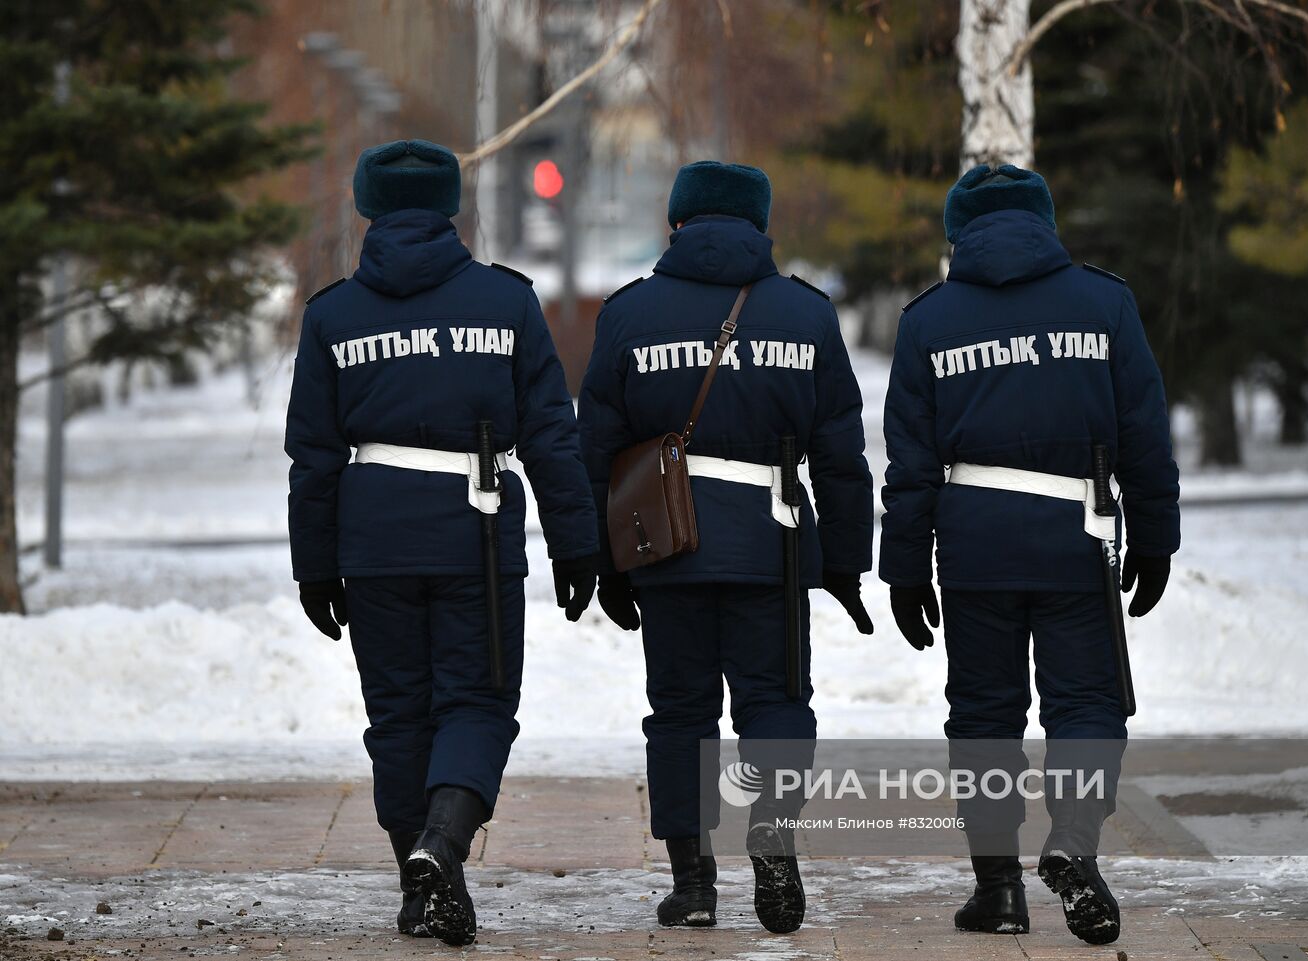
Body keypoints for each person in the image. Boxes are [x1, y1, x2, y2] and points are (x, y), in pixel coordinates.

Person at [285, 139, 598, 946]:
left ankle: (423, 882)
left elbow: (313, 456)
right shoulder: (507, 302)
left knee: (398, 712)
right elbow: (552, 437)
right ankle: (443, 844)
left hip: (373, 534)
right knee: (479, 699)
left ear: (367, 205)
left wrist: (314, 563)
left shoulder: (332, 315)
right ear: (451, 205)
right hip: (475, 530)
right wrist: (575, 542)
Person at [880, 164, 1180, 946]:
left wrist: (905, 564)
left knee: (985, 714)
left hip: (973, 539)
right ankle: (1074, 841)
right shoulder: (1105, 302)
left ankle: (999, 889)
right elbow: (1144, 429)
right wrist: (1156, 529)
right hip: (1074, 537)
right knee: (1088, 702)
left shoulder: (927, 321)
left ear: (958, 230)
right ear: (1045, 221)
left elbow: (909, 465)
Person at [577, 161, 875, 934]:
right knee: (776, 702)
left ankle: (692, 881)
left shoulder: (628, 315)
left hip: (664, 543)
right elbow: (841, 454)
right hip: (770, 546)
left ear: (676, 223)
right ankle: (773, 843)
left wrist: (602, 558)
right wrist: (844, 560)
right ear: (760, 224)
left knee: (680, 713)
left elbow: (596, 449)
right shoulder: (806, 315)